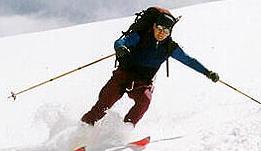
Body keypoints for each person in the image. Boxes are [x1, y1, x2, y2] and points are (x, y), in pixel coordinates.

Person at [81, 7, 219, 127]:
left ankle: (126, 129)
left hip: (142, 82)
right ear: (154, 26)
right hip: (123, 76)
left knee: (144, 100)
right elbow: (120, 42)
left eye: (166, 30)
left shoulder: (170, 47)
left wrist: (207, 72)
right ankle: (83, 128)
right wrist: (120, 48)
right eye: (159, 28)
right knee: (103, 104)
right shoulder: (140, 36)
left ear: (170, 32)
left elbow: (189, 60)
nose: (161, 32)